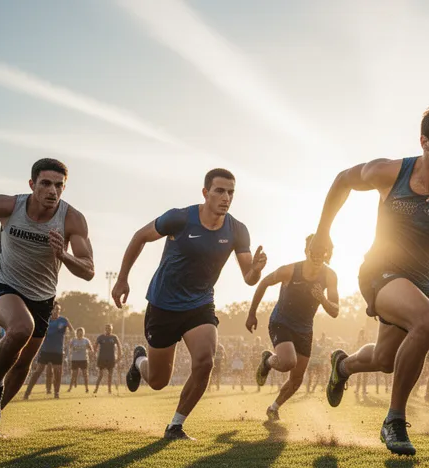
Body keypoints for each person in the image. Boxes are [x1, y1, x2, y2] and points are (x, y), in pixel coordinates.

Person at [310, 103, 429, 456]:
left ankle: (342, 365)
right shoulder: (390, 172)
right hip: (378, 271)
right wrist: (322, 233)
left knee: (384, 359)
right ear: (425, 142)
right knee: (428, 321)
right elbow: (343, 180)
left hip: (419, 284)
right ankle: (394, 420)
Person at [0, 158, 95, 436]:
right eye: (46, 183)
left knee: (22, 364)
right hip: (3, 286)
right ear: (32, 184)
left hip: (42, 298)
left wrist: (64, 255)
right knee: (22, 327)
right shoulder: (9, 206)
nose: (52, 191)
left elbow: (89, 270)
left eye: (59, 186)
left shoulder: (71, 219)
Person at [113, 168, 266, 441]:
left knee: (206, 361)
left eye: (231, 192)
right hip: (163, 304)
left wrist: (256, 270)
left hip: (200, 304)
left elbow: (248, 278)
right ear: (205, 192)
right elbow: (139, 237)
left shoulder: (237, 230)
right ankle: (139, 362)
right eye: (219, 190)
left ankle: (175, 426)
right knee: (158, 381)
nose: (226, 197)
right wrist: (122, 279)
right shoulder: (179, 218)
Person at [247, 234, 339, 420]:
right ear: (306, 251)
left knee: (297, 379)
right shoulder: (290, 270)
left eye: (322, 253)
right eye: (313, 252)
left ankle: (273, 408)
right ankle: (267, 361)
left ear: (326, 253)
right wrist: (251, 313)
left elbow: (335, 311)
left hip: (305, 329)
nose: (317, 256)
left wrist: (322, 299)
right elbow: (264, 282)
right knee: (288, 362)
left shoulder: (329, 276)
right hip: (281, 322)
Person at [23, 303, 72, 399]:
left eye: (58, 309)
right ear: (51, 310)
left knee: (57, 372)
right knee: (38, 371)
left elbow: (72, 331)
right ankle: (27, 393)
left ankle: (56, 393)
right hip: (45, 350)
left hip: (58, 351)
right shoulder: (46, 320)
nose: (57, 311)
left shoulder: (63, 320)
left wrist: (69, 336)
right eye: (55, 309)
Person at [94, 324, 122, 394]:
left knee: (110, 375)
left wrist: (119, 355)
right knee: (100, 375)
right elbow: (95, 345)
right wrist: (94, 353)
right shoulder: (101, 337)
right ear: (105, 329)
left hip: (111, 358)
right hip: (102, 358)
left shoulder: (114, 337)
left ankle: (109, 390)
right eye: (107, 328)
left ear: (111, 329)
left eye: (109, 328)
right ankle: (96, 389)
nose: (108, 330)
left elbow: (119, 346)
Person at [67, 327, 94, 393]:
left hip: (84, 359)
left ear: (83, 333)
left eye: (81, 332)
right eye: (79, 332)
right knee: (73, 374)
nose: (80, 334)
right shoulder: (73, 340)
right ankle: (70, 388)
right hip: (75, 359)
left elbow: (91, 349)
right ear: (77, 333)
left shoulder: (86, 340)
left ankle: (87, 388)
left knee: (85, 374)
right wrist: (70, 353)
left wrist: (91, 352)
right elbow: (69, 348)